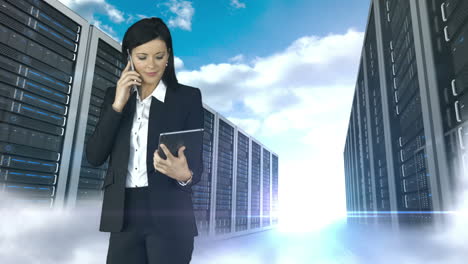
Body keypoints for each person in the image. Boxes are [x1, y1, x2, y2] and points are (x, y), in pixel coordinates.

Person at [85, 17, 203, 264]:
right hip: (124, 215)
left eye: (159, 56)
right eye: (142, 57)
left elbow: (197, 168)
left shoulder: (187, 98)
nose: (151, 65)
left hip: (170, 215)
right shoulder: (114, 97)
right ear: (129, 56)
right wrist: (118, 104)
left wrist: (184, 176)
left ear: (168, 55)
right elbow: (94, 157)